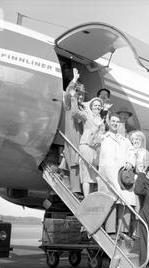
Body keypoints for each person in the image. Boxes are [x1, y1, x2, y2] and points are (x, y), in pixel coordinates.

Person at [98, 113, 136, 235]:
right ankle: (110, 230)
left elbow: (131, 152)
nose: (115, 123)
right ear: (108, 122)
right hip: (107, 174)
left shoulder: (125, 140)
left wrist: (130, 162)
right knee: (110, 202)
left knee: (126, 201)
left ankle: (123, 231)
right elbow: (92, 144)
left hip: (122, 175)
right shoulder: (103, 137)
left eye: (117, 122)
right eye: (113, 121)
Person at [71, 97, 105, 197]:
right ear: (91, 106)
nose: (97, 107)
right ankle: (86, 197)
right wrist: (73, 98)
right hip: (86, 144)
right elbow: (75, 112)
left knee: (94, 173)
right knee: (86, 172)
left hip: (96, 148)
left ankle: (93, 196)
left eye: (99, 105)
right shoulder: (87, 115)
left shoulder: (100, 119)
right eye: (95, 105)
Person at [61, 67, 85, 196]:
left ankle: (78, 187)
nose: (80, 95)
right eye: (78, 93)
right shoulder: (70, 104)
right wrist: (74, 80)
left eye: (81, 94)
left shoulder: (83, 107)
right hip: (72, 136)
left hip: (82, 138)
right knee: (74, 162)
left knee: (79, 163)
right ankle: (75, 189)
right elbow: (67, 94)